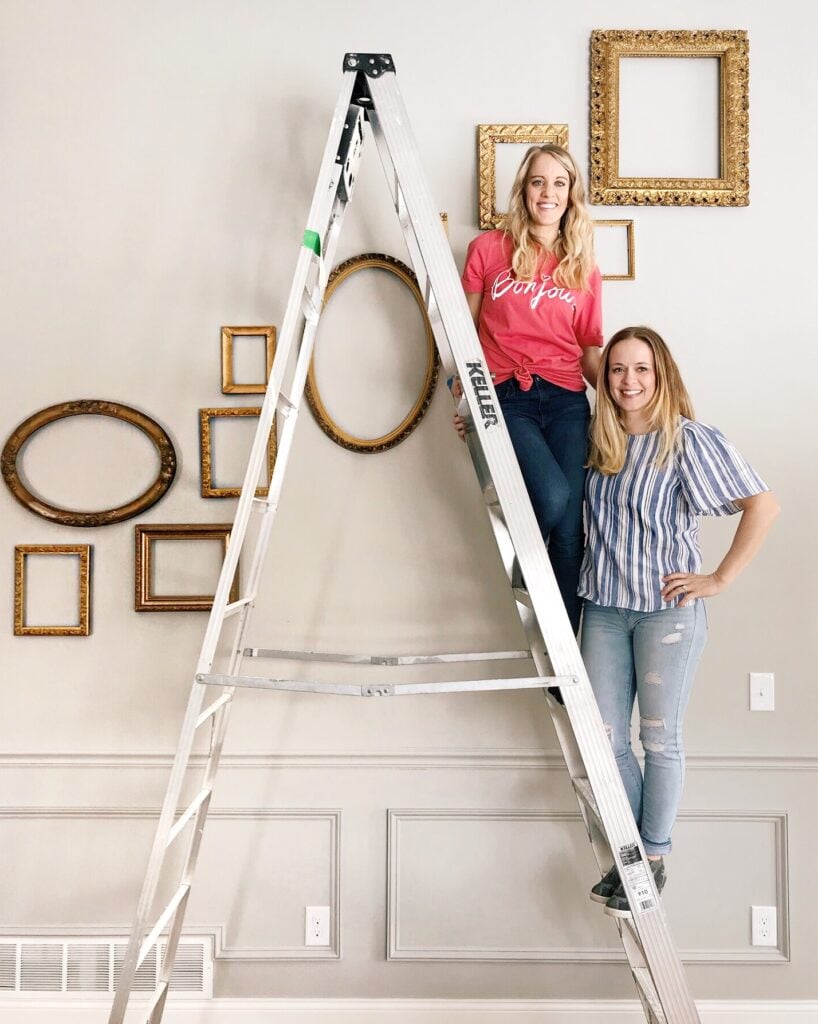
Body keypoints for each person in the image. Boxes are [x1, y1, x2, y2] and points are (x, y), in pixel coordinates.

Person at [580, 326, 779, 918]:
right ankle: (635, 855)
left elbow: (762, 505)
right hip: (605, 610)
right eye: (617, 370)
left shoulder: (688, 440)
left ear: (661, 374)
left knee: (659, 740)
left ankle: (650, 859)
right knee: (607, 740)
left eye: (642, 369)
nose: (629, 381)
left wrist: (717, 579)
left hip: (668, 615)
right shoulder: (599, 438)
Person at [456, 144, 603, 632]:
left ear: (571, 195)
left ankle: (566, 655)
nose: (549, 193)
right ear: (524, 189)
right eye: (539, 181)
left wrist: (632, 403)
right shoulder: (487, 250)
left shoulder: (584, 267)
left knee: (569, 535)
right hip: (507, 396)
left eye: (559, 183)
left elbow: (588, 352)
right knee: (554, 499)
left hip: (566, 403)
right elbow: (464, 336)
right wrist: (468, 402)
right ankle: (528, 588)